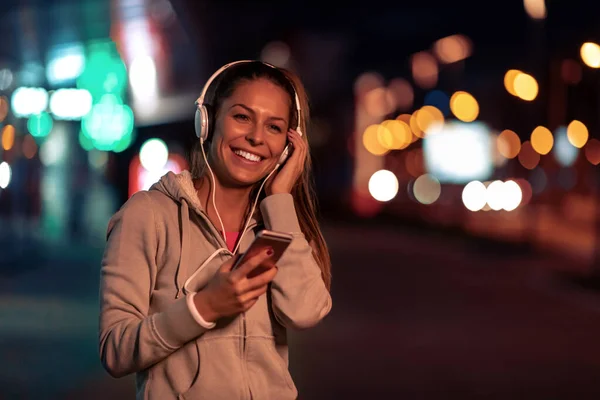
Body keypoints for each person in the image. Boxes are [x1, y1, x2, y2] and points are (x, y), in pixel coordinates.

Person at [98, 60, 332, 400]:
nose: (255, 137)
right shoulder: (147, 215)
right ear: (206, 121)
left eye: (274, 127)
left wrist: (280, 198)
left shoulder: (278, 224)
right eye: (241, 117)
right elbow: (115, 350)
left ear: (288, 145)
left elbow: (306, 311)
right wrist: (205, 307)